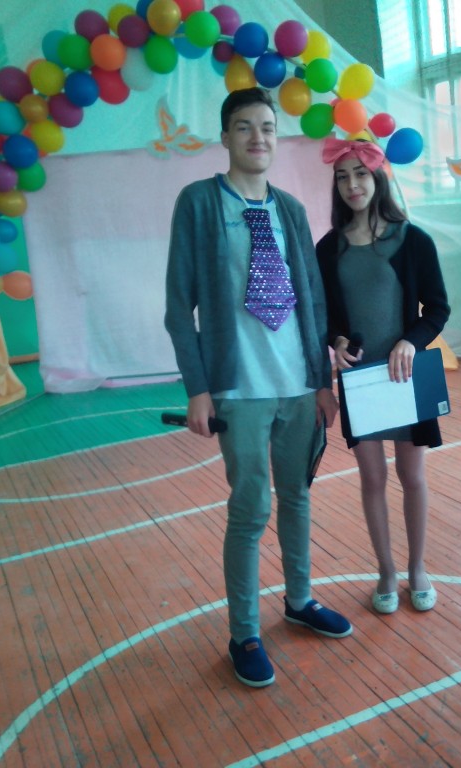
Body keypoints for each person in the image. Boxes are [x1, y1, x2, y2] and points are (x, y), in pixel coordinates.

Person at [164, 87, 352, 689]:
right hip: (239, 390)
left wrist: (321, 381)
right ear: (225, 137)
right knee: (251, 510)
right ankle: (244, 632)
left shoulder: (290, 210)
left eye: (267, 127)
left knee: (297, 497)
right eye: (244, 127)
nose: (257, 138)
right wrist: (198, 388)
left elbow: (312, 300)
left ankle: (299, 600)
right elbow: (178, 307)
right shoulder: (199, 202)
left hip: (298, 385)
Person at [315, 138, 450, 615]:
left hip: (406, 375)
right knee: (372, 477)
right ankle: (387, 571)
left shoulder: (413, 240)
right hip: (360, 381)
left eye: (360, 174)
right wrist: (336, 341)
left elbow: (437, 308)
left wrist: (411, 340)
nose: (352, 185)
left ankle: (416, 568)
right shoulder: (328, 248)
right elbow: (323, 316)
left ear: (377, 178)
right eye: (342, 177)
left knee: (412, 475)